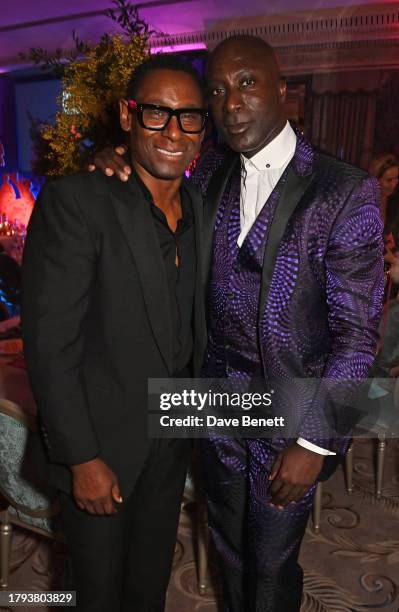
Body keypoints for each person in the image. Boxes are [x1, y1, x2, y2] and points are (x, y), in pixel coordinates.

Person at [91, 35, 384, 612]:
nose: (230, 103)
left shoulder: (344, 191)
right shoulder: (209, 174)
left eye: (246, 83)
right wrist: (107, 159)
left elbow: (358, 336)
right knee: (228, 548)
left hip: (292, 412)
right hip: (215, 403)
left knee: (271, 564)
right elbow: (149, 191)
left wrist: (314, 443)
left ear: (283, 91)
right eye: (219, 90)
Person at [21, 54, 207, 612]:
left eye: (189, 117)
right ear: (128, 117)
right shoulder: (80, 200)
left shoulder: (202, 206)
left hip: (173, 435)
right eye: (157, 114)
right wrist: (81, 459)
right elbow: (51, 344)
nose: (173, 131)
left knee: (147, 585)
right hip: (102, 449)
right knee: (97, 593)